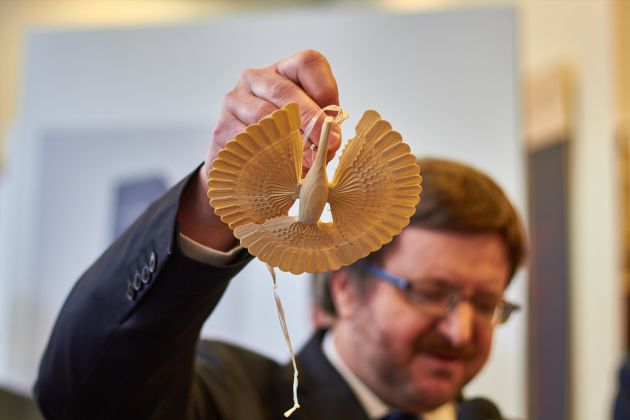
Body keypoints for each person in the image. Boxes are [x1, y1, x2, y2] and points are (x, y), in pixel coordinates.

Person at [34, 50, 526, 420]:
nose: (461, 331)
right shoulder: (234, 397)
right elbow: (87, 398)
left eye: (486, 303)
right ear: (345, 288)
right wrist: (215, 204)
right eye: (431, 292)